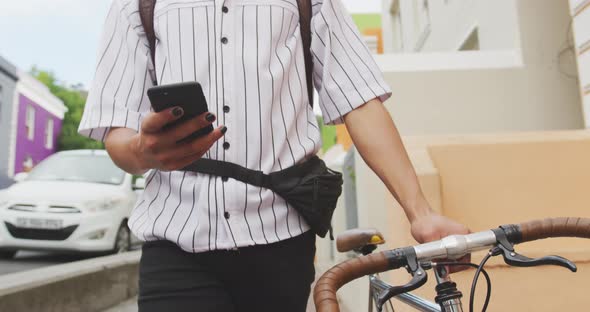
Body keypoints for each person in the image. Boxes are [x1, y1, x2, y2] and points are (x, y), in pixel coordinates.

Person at [78, 0, 470, 311]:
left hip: (281, 243)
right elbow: (118, 133)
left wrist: (421, 213)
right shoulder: (137, 4)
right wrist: (143, 151)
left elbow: (359, 100)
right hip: (175, 243)